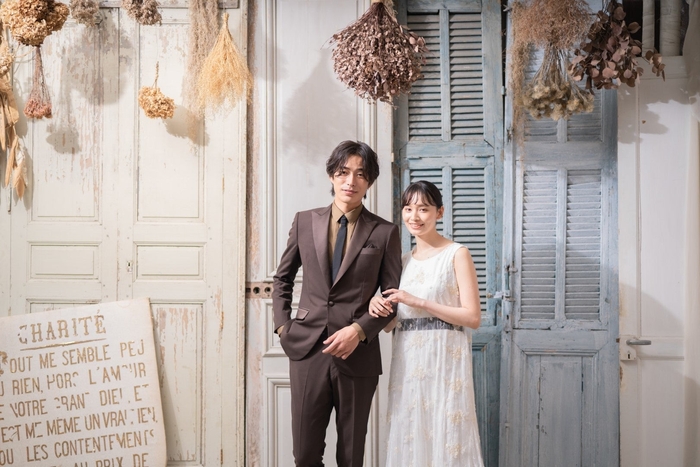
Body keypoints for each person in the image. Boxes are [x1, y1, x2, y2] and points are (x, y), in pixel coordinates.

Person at [272, 140, 402, 467]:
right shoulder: (304, 221)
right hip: (308, 350)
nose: (351, 181)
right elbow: (282, 278)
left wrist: (358, 331)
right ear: (331, 175)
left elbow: (393, 296)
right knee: (305, 454)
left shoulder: (384, 232)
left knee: (350, 456)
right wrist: (283, 326)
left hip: (358, 355)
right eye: (343, 172)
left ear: (369, 181)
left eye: (360, 174)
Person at [369, 180, 484, 466]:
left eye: (423, 209)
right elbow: (390, 325)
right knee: (410, 430)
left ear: (439, 212)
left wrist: (419, 301)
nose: (414, 216)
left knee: (447, 431)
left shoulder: (457, 253)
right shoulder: (402, 261)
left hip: (445, 359)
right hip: (408, 361)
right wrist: (375, 304)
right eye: (408, 209)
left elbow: (472, 317)